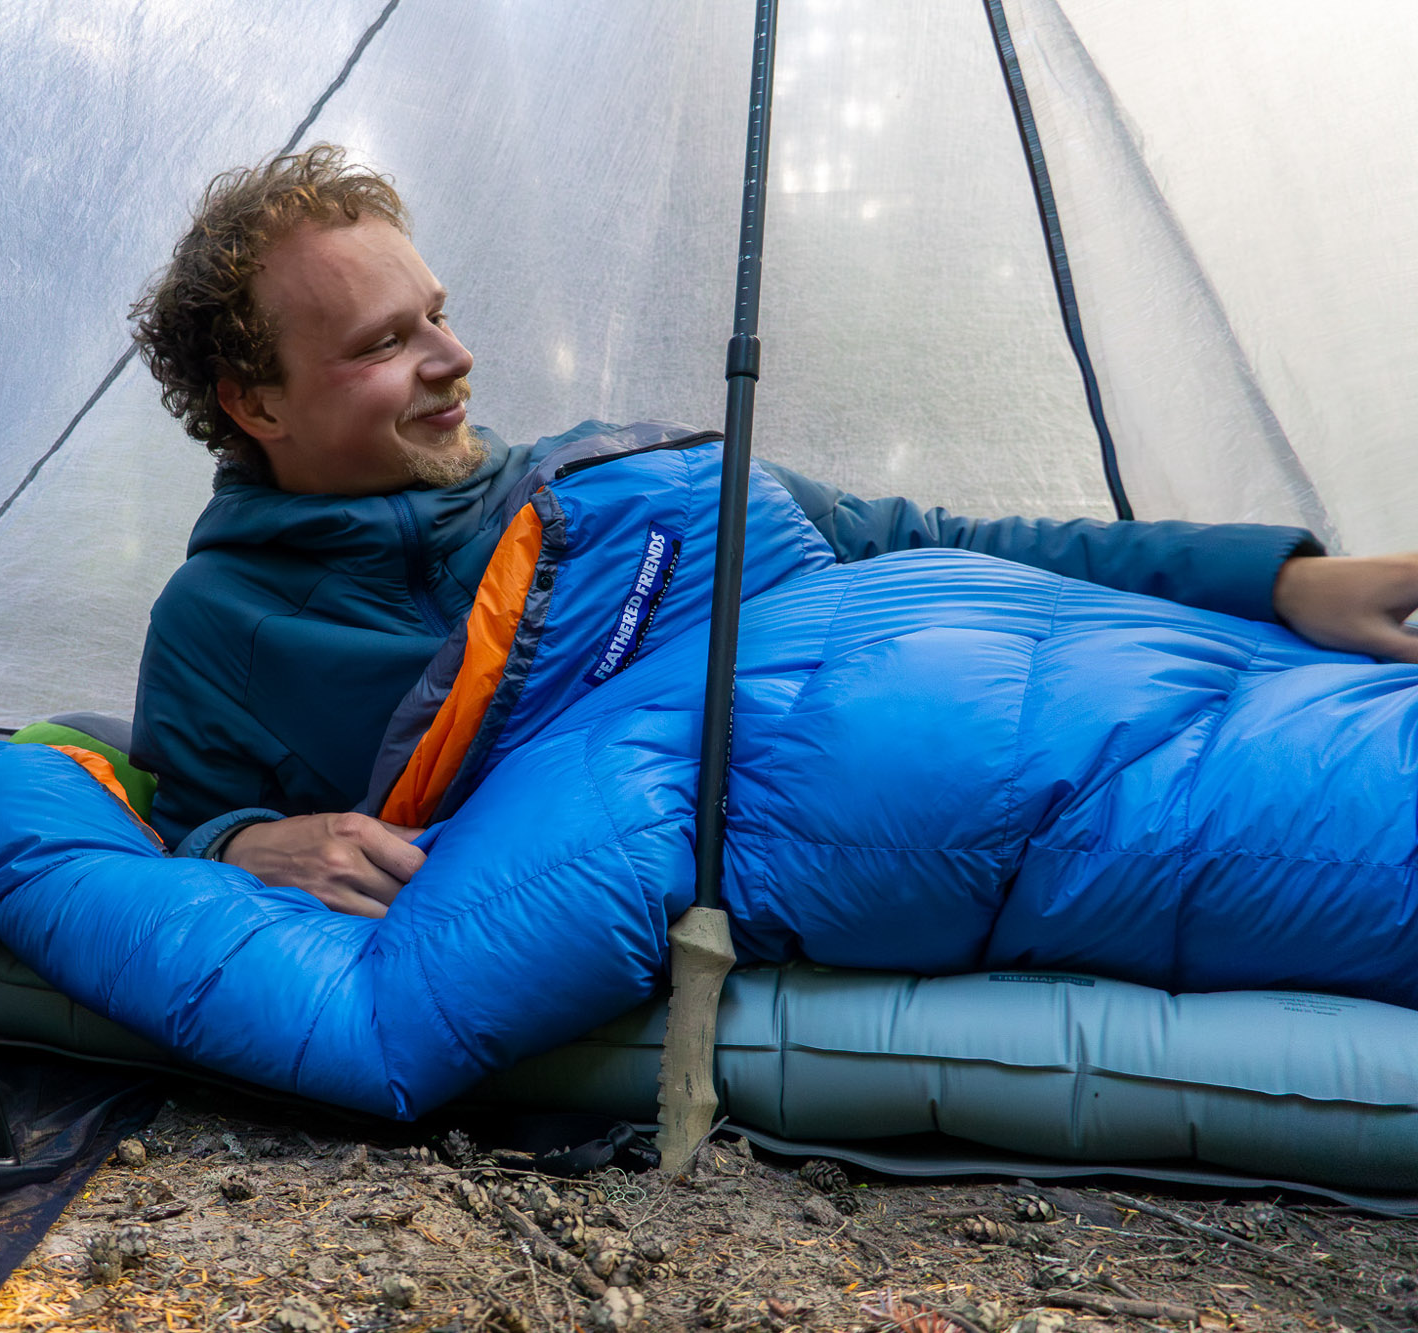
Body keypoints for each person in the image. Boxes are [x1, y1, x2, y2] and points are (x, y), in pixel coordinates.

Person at [127, 145, 1418, 919]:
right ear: (256, 403)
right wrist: (241, 840)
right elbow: (166, 829)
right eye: (385, 343)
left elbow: (940, 542)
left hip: (1005, 728)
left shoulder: (618, 484)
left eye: (440, 314)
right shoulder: (220, 627)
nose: (455, 359)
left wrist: (1281, 580)